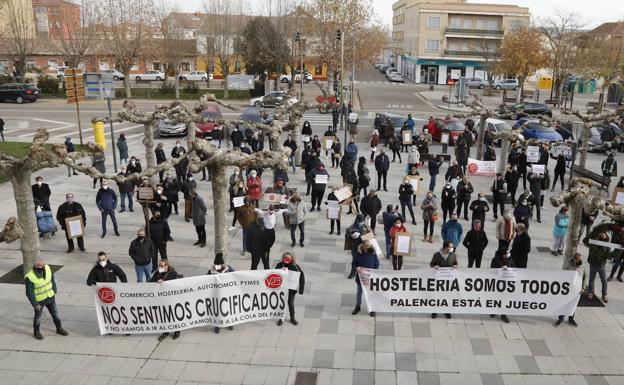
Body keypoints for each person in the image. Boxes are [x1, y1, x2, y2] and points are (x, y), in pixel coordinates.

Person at [25, 259, 68, 340]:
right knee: (38, 317)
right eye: (39, 265)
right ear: (35, 265)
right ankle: (36, 332)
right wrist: (35, 304)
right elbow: (29, 292)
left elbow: (52, 279)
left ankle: (59, 328)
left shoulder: (47, 268)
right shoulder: (30, 277)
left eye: (42, 265)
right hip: (39, 300)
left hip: (50, 297)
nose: (41, 267)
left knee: (55, 314)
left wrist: (54, 290)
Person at [151, 259, 181, 341]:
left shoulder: (172, 273)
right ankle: (166, 331)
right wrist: (155, 282)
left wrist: (163, 282)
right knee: (164, 316)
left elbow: (172, 283)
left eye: (162, 265)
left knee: (173, 315)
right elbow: (151, 281)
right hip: (162, 299)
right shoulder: (158, 272)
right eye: (159, 265)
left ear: (167, 266)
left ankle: (177, 330)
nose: (160, 267)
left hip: (171, 299)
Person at [276, 252, 305, 325]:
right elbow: (274, 274)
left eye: (288, 258)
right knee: (282, 304)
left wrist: (301, 289)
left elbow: (302, 277)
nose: (286, 259)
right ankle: (281, 318)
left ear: (292, 259)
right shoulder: (279, 265)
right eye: (285, 257)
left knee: (290, 303)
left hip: (291, 290)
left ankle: (292, 318)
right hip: (281, 290)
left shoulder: (295, 266)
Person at [430, 241, 457, 319]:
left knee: (447, 296)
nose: (452, 248)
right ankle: (434, 311)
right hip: (438, 280)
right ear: (445, 248)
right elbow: (431, 264)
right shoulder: (437, 255)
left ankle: (446, 310)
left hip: (448, 281)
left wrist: (455, 265)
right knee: (436, 296)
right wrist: (434, 266)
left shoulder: (453, 255)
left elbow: (455, 263)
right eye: (450, 247)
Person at [555, 252, 583, 327]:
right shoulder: (568, 262)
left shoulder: (582, 264)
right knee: (564, 302)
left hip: (577, 288)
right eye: (578, 259)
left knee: (574, 303)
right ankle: (561, 318)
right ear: (575, 258)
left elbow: (585, 276)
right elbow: (564, 270)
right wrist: (573, 270)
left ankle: (571, 318)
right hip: (567, 287)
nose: (580, 261)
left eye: (580, 259)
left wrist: (583, 287)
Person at [351, 241, 379, 316]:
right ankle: (358, 306)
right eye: (365, 246)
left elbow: (377, 264)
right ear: (362, 246)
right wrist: (356, 268)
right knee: (359, 292)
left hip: (370, 278)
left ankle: (372, 308)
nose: (367, 247)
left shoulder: (373, 254)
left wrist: (373, 272)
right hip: (360, 278)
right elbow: (354, 263)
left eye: (368, 246)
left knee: (370, 294)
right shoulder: (359, 254)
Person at [489, 247, 513, 323]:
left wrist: (508, 267)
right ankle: (494, 310)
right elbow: (492, 269)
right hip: (497, 282)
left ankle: (503, 314)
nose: (508, 254)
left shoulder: (509, 259)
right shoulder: (495, 260)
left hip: (506, 283)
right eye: (507, 253)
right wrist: (500, 268)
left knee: (504, 299)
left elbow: (514, 266)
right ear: (503, 254)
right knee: (496, 297)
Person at [587, 232, 612, 303]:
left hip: (601, 265)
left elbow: (609, 253)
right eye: (601, 233)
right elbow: (590, 246)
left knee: (604, 280)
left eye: (604, 233)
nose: (603, 234)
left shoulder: (607, 243)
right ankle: (591, 292)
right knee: (591, 279)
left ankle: (604, 294)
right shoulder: (594, 241)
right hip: (593, 264)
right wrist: (597, 237)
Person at [346, 214, 370, 278]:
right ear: (357, 220)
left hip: (363, 248)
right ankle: (353, 272)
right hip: (355, 248)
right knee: (355, 261)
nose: (362, 222)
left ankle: (362, 273)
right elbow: (347, 237)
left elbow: (370, 234)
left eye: (363, 221)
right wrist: (351, 236)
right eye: (360, 221)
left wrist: (372, 234)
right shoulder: (352, 228)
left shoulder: (365, 227)